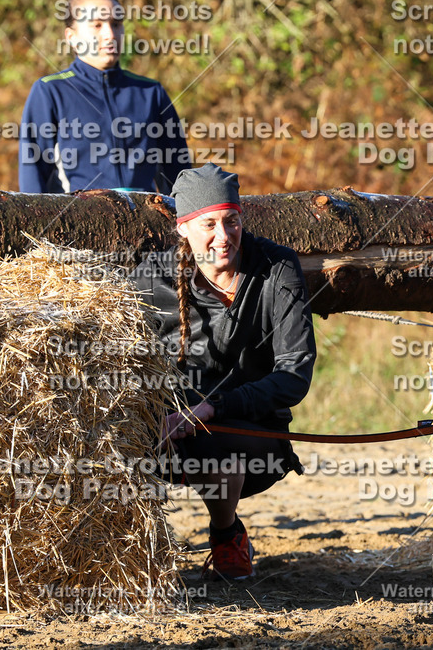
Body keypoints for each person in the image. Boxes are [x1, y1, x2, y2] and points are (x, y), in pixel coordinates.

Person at [129, 163, 316, 580]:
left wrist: (215, 408)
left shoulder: (277, 269)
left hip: (252, 431)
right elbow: (124, 365)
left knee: (226, 458)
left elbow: (295, 371)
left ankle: (226, 535)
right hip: (170, 428)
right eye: (208, 223)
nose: (223, 235)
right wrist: (154, 415)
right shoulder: (151, 279)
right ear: (182, 228)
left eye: (231, 221)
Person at [19, 0, 191, 194]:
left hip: (148, 219)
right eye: (97, 25)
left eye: (116, 25)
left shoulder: (150, 92)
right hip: (79, 220)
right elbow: (33, 173)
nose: (110, 34)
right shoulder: (50, 91)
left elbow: (178, 173)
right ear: (71, 37)